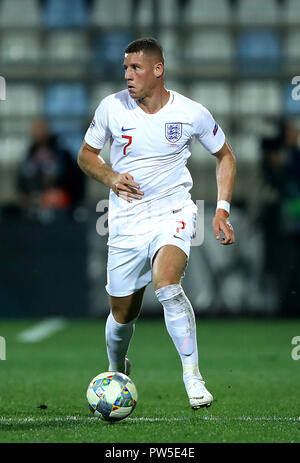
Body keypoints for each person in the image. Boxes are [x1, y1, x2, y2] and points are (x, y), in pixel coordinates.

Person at [78, 38, 236, 409]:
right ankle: (117, 370)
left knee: (168, 285)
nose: (127, 76)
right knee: (122, 314)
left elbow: (225, 156)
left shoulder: (191, 112)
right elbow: (86, 155)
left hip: (174, 211)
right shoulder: (111, 108)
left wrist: (222, 209)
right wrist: (111, 177)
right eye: (125, 69)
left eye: (135, 68)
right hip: (125, 221)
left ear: (158, 70)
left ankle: (193, 377)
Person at [18, 118, 85, 218]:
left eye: (40, 129)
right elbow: (22, 180)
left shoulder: (61, 151)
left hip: (61, 206)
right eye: (34, 130)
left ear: (47, 130)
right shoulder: (30, 154)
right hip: (35, 206)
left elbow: (74, 177)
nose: (37, 133)